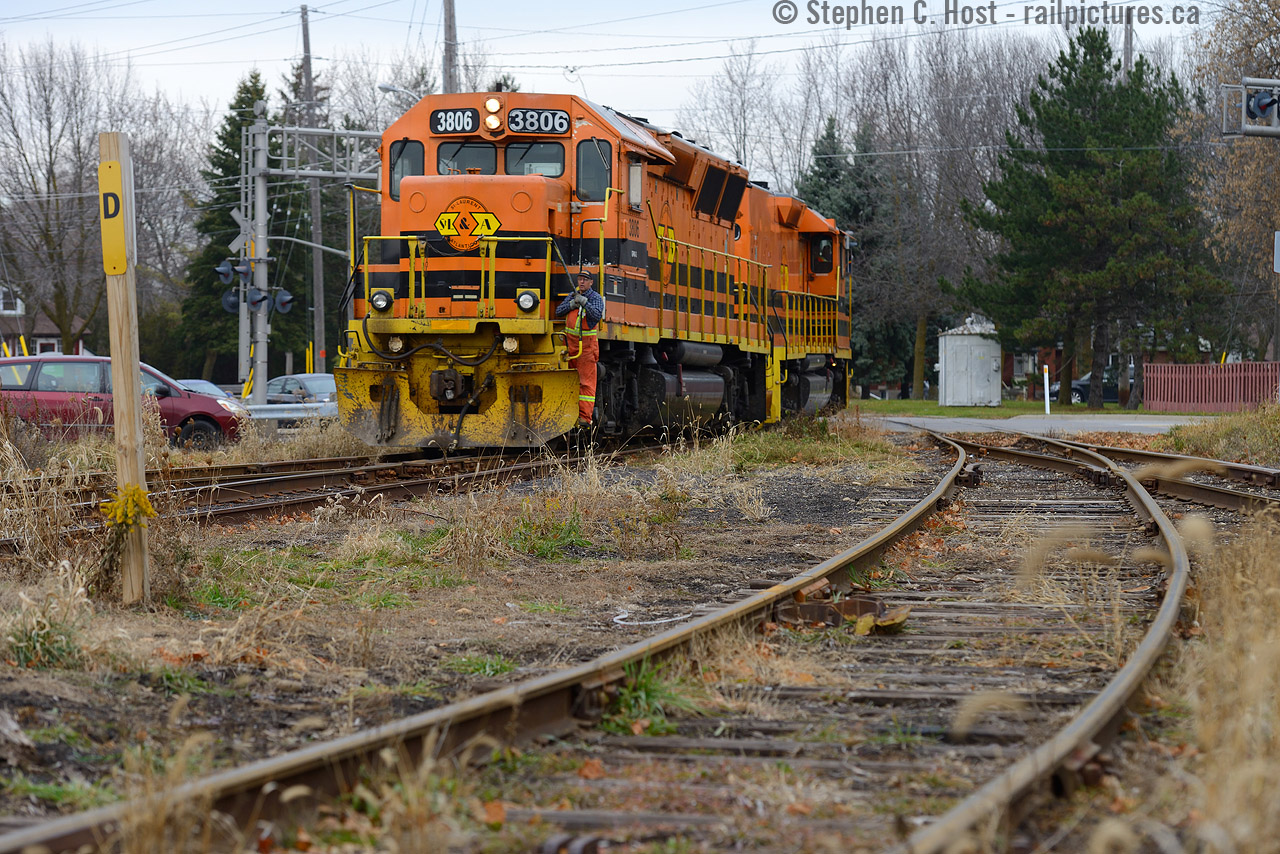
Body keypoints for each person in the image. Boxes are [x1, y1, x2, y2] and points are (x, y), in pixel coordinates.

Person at [556, 270, 606, 426]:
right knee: (568, 379)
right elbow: (558, 311)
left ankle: (585, 417)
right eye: (580, 279)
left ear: (591, 282)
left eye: (585, 279)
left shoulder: (595, 298)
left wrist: (585, 303)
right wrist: (572, 304)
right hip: (569, 345)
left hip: (586, 347)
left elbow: (597, 314)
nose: (581, 282)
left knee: (586, 382)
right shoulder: (572, 296)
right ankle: (567, 412)